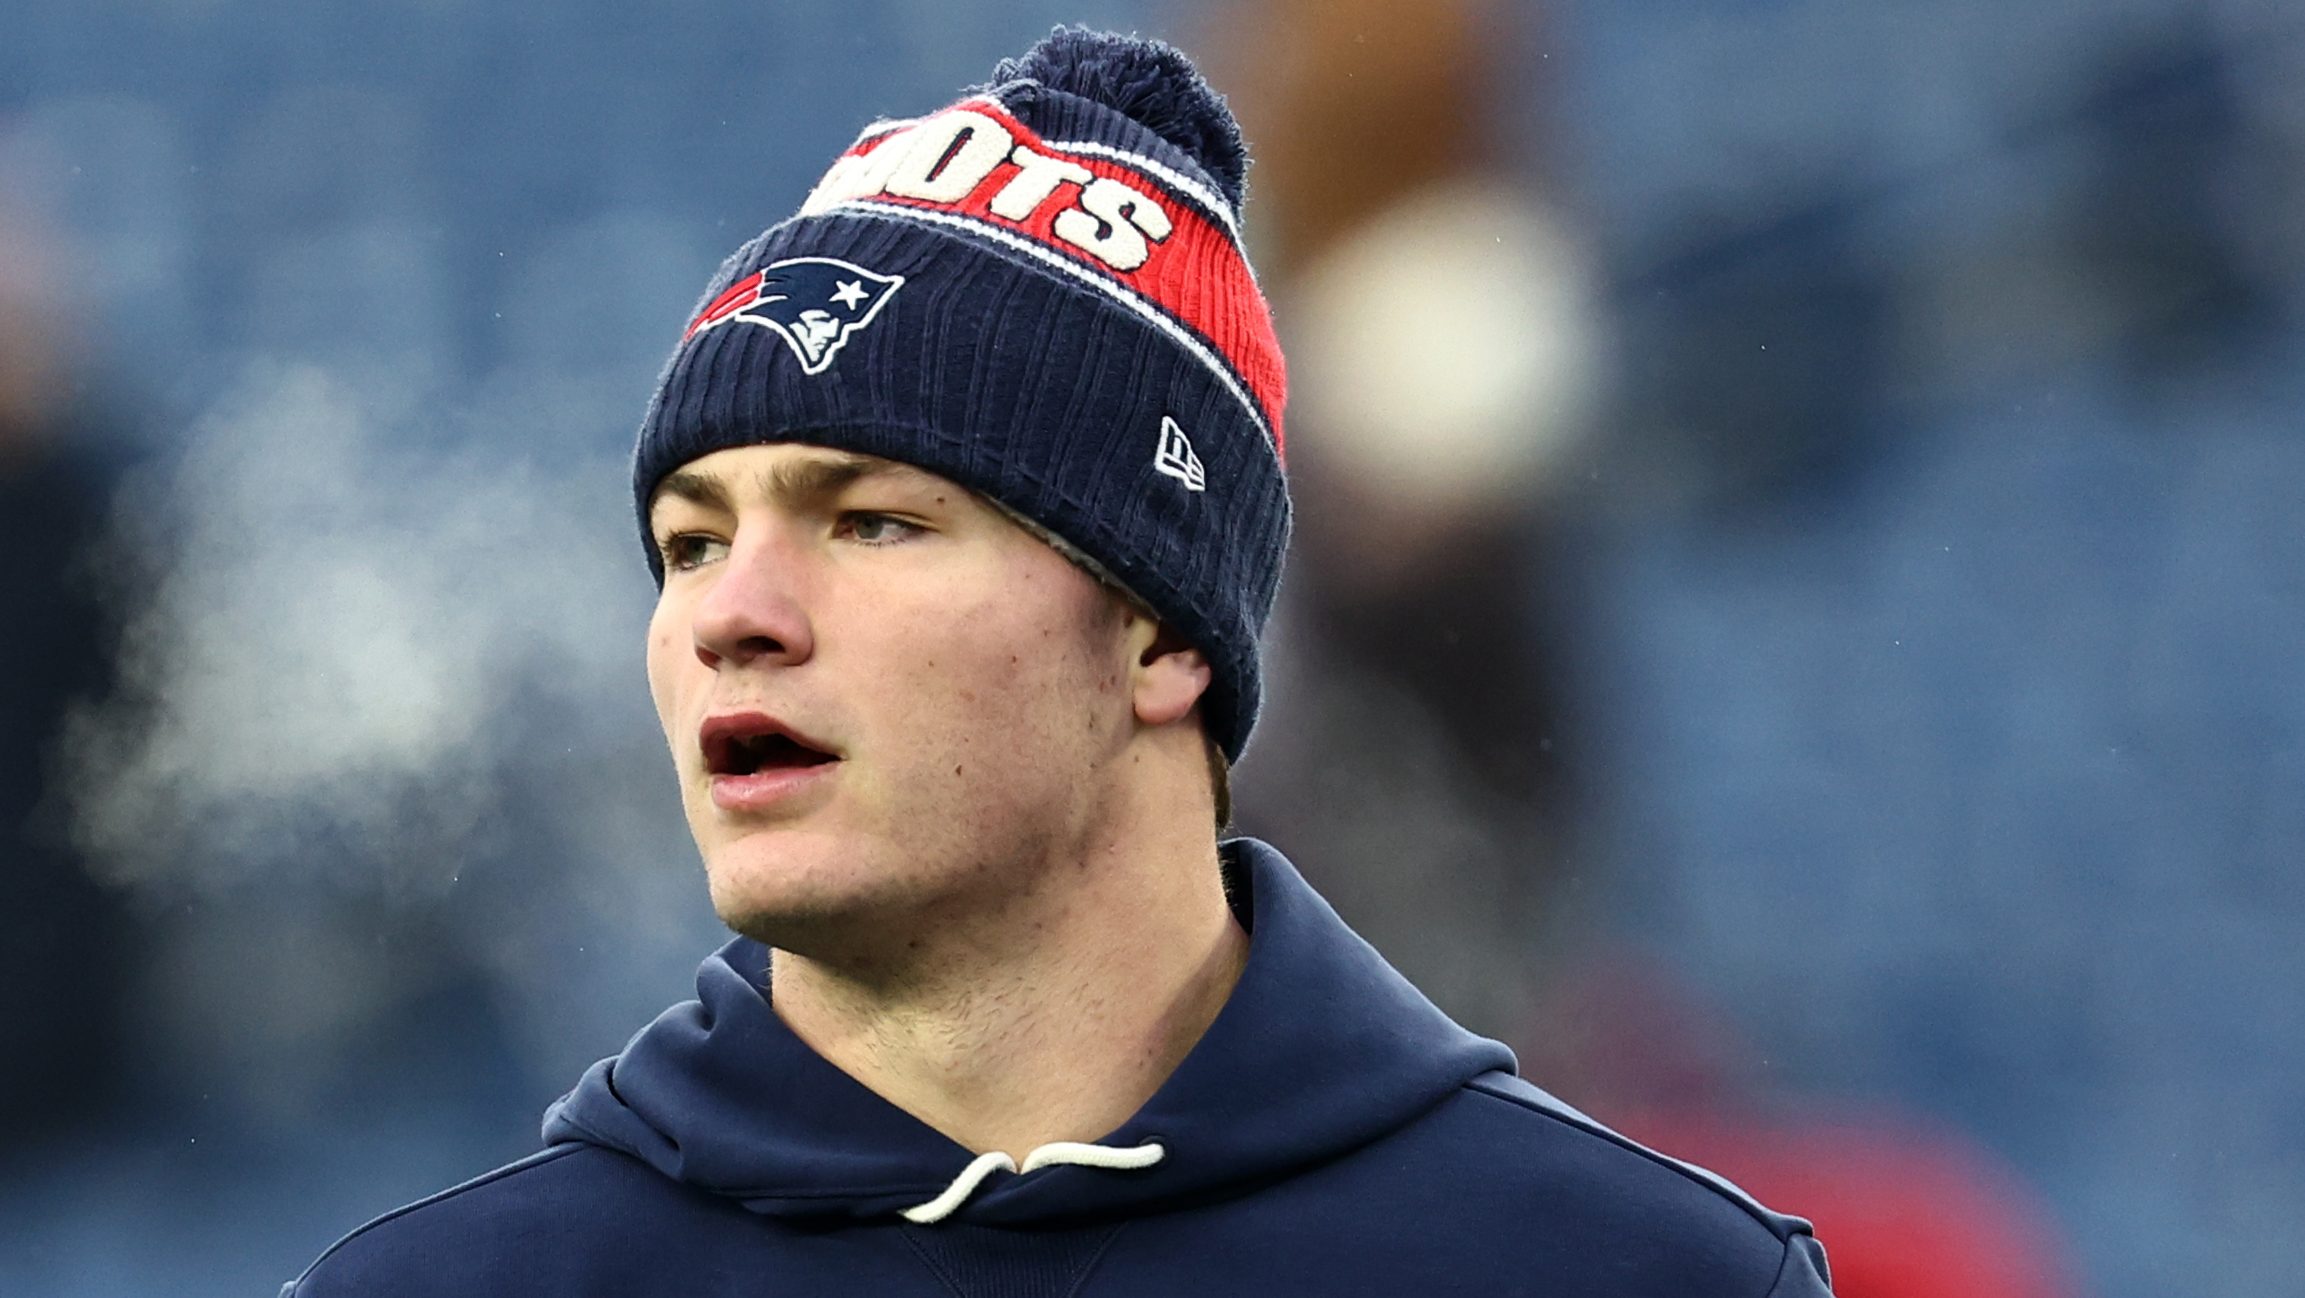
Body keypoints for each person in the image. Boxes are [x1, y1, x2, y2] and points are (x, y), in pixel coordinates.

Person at [284, 28, 1832, 1297]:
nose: (729, 612)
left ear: (1159, 630)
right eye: (690, 541)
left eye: (876, 521)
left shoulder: (1648, 1275)